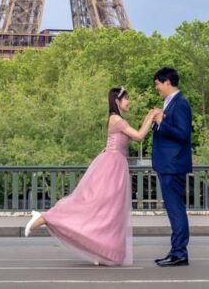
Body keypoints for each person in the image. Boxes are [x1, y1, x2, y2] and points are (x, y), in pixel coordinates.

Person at [23, 87, 158, 266]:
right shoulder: (116, 119)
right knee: (97, 205)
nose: (129, 101)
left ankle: (101, 249)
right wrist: (151, 116)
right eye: (127, 98)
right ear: (117, 101)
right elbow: (140, 136)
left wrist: (149, 116)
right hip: (111, 166)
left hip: (115, 165)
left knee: (109, 210)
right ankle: (45, 217)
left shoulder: (118, 119)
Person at [150, 66, 192, 267]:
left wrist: (161, 122)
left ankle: (179, 253)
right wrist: (158, 120)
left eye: (158, 84)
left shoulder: (180, 103)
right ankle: (175, 251)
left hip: (173, 165)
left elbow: (183, 134)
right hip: (167, 164)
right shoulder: (170, 103)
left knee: (176, 209)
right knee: (174, 209)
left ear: (167, 82)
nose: (157, 88)